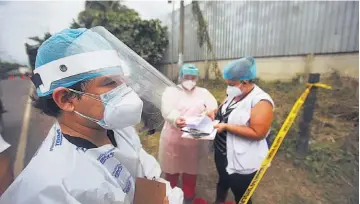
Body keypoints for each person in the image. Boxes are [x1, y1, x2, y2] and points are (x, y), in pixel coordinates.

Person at [0, 27, 183, 204]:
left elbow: (142, 174)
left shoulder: (116, 128)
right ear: (66, 99)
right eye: (110, 82)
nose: (126, 91)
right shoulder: (49, 189)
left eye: (123, 80)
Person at [209, 57, 274, 204]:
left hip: (242, 158)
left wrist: (226, 127)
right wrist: (214, 113)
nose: (228, 88)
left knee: (241, 193)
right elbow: (226, 110)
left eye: (231, 84)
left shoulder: (261, 101)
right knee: (223, 181)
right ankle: (219, 201)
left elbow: (259, 133)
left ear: (245, 82)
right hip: (222, 151)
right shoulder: (234, 93)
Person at [159, 64, 218, 203]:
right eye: (187, 77)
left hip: (194, 139)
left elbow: (212, 105)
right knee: (171, 167)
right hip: (173, 138)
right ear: (180, 77)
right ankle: (171, 193)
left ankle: (188, 194)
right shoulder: (171, 92)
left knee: (191, 168)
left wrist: (209, 112)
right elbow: (166, 109)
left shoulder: (203, 93)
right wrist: (175, 118)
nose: (190, 80)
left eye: (193, 77)